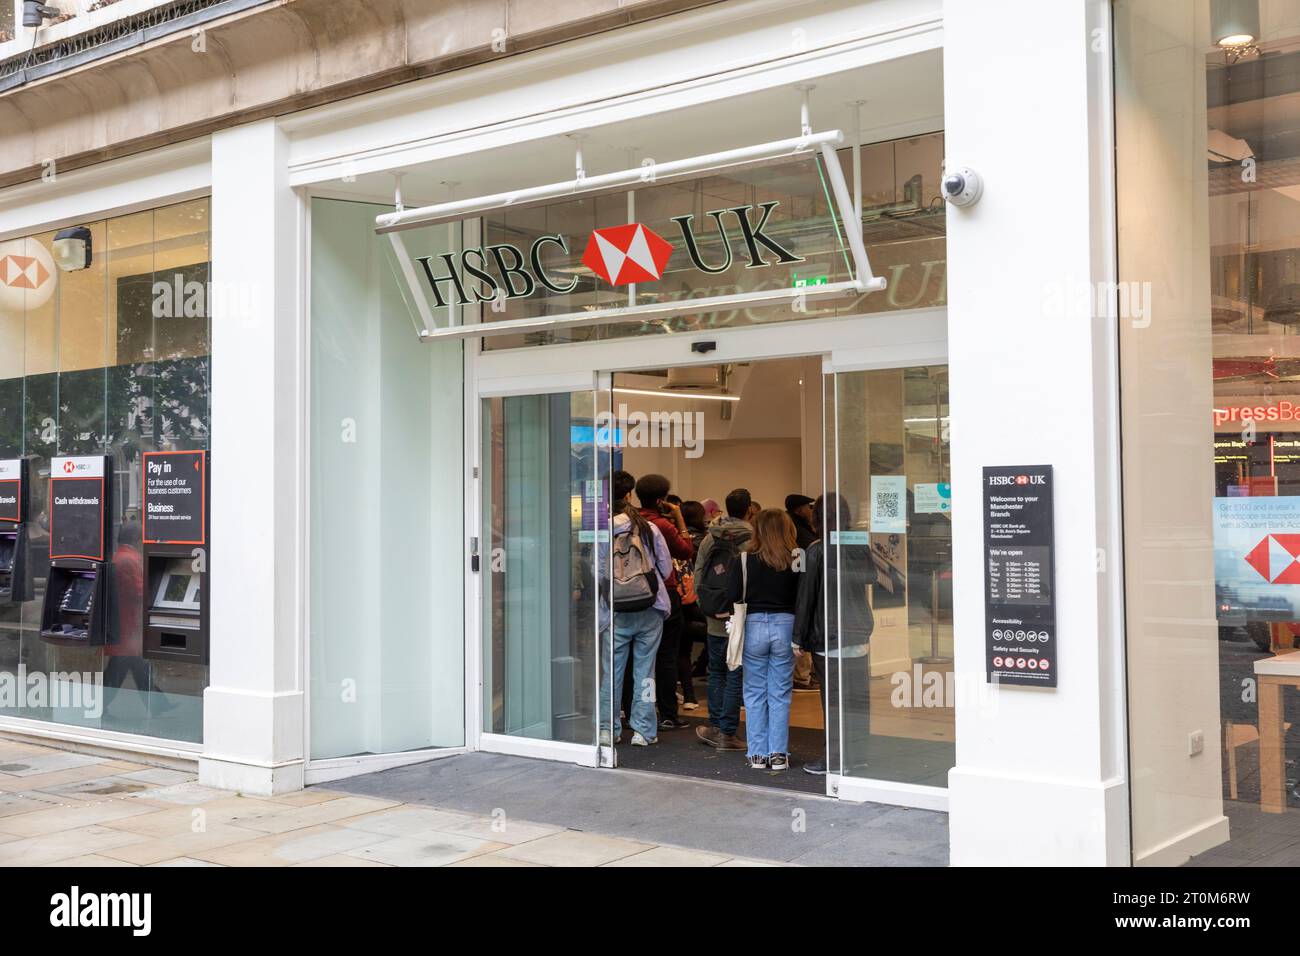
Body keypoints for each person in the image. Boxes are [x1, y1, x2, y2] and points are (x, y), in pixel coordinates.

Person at [793, 493, 874, 774]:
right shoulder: (857, 543)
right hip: (858, 631)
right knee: (857, 700)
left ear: (816, 519)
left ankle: (835, 760)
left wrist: (797, 638)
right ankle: (859, 756)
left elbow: (806, 597)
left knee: (834, 701)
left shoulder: (816, 550)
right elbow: (871, 577)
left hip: (829, 636)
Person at [729, 508, 802, 771]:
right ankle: (778, 754)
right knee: (780, 693)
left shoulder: (745, 559)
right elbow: (803, 597)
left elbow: (734, 594)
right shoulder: (798, 557)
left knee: (754, 692)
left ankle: (757, 754)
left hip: (754, 625)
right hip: (786, 625)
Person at [606, 471, 675, 747]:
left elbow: (596, 569)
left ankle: (607, 729)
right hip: (650, 605)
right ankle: (643, 730)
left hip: (616, 608)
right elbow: (667, 568)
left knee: (612, 670)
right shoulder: (649, 528)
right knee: (646, 671)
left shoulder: (603, 529)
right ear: (628, 495)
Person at [693, 487, 753, 752]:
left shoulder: (710, 537)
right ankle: (728, 733)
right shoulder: (752, 538)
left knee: (716, 672)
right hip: (741, 617)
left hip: (714, 617)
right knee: (735, 674)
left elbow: (698, 574)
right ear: (749, 509)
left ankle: (715, 726)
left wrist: (706, 606)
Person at [634, 473, 696, 731]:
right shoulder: (663, 525)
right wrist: (679, 517)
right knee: (667, 656)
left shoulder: (631, 521)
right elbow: (686, 552)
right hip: (662, 594)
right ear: (661, 500)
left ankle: (631, 710)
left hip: (632, 592)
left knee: (635, 656)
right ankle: (668, 713)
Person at [786, 493, 820, 692]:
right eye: (809, 506)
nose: (811, 510)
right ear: (799, 509)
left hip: (798, 588)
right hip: (801, 588)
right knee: (802, 627)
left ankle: (803, 676)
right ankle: (802, 677)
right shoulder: (800, 531)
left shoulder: (798, 527)